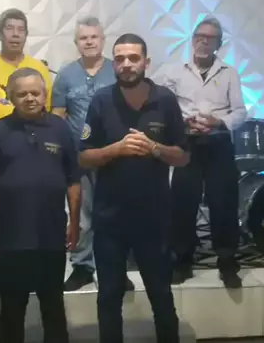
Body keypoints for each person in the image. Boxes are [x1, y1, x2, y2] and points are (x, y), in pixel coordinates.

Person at [79, 33, 189, 343]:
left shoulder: (165, 100)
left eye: (133, 58)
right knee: (109, 296)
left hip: (154, 217)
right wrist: (116, 150)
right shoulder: (101, 100)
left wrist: (154, 147)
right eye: (120, 59)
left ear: (146, 62)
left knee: (161, 293)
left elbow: (183, 157)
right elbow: (83, 157)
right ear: (113, 64)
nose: (126, 64)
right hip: (110, 218)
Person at [0, 68, 81, 343]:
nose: (29, 98)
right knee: (12, 307)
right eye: (22, 93)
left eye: (35, 93)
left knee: (53, 304)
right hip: (10, 236)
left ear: (45, 94)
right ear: (11, 96)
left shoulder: (60, 128)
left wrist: (74, 223)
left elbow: (73, 181)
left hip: (51, 233)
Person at [152, 17, 247, 288]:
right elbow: (157, 101)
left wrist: (220, 122)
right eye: (199, 36)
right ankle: (182, 261)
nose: (203, 41)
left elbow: (241, 111)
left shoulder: (229, 73)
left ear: (219, 44)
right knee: (183, 203)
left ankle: (227, 261)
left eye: (210, 38)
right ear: (192, 39)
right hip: (187, 144)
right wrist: (182, 121)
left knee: (224, 203)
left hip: (219, 144)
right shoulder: (173, 71)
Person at [51, 16, 135, 292]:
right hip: (79, 158)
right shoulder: (66, 75)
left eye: (94, 37)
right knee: (82, 216)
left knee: (116, 216)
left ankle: (116, 269)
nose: (89, 42)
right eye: (83, 38)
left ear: (102, 40)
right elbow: (58, 117)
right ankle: (83, 267)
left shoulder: (117, 70)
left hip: (114, 157)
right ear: (76, 42)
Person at [0, 8, 53, 136]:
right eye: (9, 28)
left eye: (21, 30)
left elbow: (48, 109)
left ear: (26, 35)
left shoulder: (40, 68)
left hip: (34, 139)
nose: (15, 34)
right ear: (0, 33)